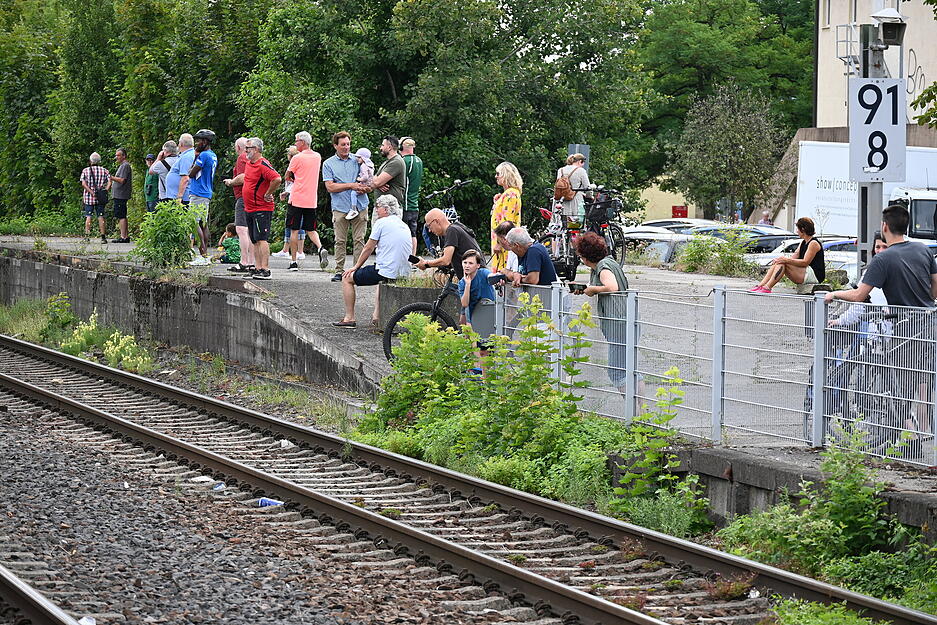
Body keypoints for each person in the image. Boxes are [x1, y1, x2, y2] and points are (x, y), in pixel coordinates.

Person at [826, 204, 937, 450]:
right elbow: (934, 288)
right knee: (920, 383)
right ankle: (910, 442)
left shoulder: (883, 259)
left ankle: (898, 441)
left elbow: (859, 295)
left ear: (884, 227)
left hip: (904, 328)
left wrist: (833, 294)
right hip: (928, 325)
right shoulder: (923, 250)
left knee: (899, 386)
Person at [332, 195, 412, 328]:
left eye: (378, 207)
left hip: (387, 270)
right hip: (403, 271)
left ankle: (349, 318)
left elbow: (368, 247)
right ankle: (377, 316)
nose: (376, 210)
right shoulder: (403, 225)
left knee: (346, 278)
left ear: (386, 209)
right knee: (381, 279)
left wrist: (355, 267)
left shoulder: (381, 222)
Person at [576, 231, 630, 393]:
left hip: (618, 322)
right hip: (624, 319)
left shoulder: (603, 267)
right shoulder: (609, 262)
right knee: (629, 370)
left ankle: (635, 413)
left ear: (585, 257)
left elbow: (612, 287)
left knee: (617, 372)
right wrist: (586, 289)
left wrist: (593, 289)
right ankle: (640, 411)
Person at [230, 137, 281, 280]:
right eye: (245, 148)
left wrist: (268, 193)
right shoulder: (249, 164)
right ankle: (257, 268)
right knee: (254, 239)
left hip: (261, 208)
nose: (246, 151)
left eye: (249, 148)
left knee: (262, 238)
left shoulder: (263, 164)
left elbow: (277, 178)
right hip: (250, 208)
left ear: (257, 149)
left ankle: (265, 269)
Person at [322, 131, 369, 281]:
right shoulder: (328, 163)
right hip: (340, 206)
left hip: (360, 205)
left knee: (359, 239)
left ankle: (357, 270)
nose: (346, 147)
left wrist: (366, 187)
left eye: (348, 144)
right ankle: (339, 270)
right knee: (340, 240)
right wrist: (351, 185)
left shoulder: (358, 159)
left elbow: (369, 177)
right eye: (343, 145)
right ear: (335, 145)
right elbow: (330, 187)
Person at [284, 130, 328, 271]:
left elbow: (287, 175)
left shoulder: (297, 158)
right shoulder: (317, 156)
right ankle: (321, 248)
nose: (295, 143)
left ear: (302, 142)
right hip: (311, 199)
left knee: (294, 230)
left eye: (296, 141)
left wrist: (293, 178)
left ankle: (294, 261)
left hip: (297, 198)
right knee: (310, 228)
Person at [750, 217, 824, 293]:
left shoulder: (813, 243)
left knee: (783, 262)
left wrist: (785, 260)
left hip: (814, 275)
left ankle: (767, 287)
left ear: (803, 230)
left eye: (797, 229)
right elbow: (793, 258)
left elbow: (805, 262)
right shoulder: (803, 243)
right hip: (804, 271)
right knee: (779, 262)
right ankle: (761, 285)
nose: (797, 231)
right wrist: (780, 260)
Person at [416, 208, 483, 278]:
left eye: (429, 225)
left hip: (477, 280)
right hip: (474, 277)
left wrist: (426, 264)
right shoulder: (455, 228)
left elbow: (446, 260)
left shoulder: (452, 230)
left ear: (437, 221)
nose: (429, 230)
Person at [222, 137, 255, 273]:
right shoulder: (252, 159)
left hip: (243, 196)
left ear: (238, 147)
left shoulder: (242, 157)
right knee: (250, 231)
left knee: (241, 230)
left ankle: (244, 262)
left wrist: (230, 182)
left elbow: (242, 177)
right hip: (252, 197)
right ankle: (252, 262)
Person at [186, 129, 218, 265]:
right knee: (203, 223)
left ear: (205, 142)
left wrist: (194, 159)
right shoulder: (213, 155)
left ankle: (203, 255)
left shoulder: (203, 155)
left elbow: (192, 173)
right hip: (206, 192)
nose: (197, 143)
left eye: (199, 141)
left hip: (198, 192)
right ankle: (205, 255)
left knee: (194, 222)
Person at [491, 162, 522, 271]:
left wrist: (500, 243)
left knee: (503, 273)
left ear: (506, 174)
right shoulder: (509, 194)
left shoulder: (511, 194)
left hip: (505, 242)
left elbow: (506, 223)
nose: (496, 176)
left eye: (498, 173)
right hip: (503, 240)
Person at [367, 136, 406, 211]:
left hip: (390, 209)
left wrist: (377, 183)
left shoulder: (396, 162)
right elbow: (373, 180)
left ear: (389, 147)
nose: (380, 148)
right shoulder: (387, 162)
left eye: (382, 145)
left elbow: (376, 182)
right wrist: (378, 184)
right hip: (382, 208)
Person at [459, 249, 496, 328]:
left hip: (489, 309)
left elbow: (491, 276)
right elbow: (465, 304)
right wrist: (467, 284)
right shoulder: (462, 282)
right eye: (465, 262)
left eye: (471, 263)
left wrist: (497, 277)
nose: (467, 266)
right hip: (474, 313)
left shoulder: (483, 273)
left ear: (478, 265)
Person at [80, 152, 111, 244]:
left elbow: (83, 184)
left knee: (88, 216)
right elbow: (110, 181)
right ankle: (103, 237)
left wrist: (91, 192)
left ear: (90, 161)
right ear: (99, 161)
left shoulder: (85, 170)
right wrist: (105, 190)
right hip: (100, 197)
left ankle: (87, 236)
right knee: (100, 216)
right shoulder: (104, 170)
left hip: (88, 197)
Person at [400, 137, 423, 254]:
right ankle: (413, 258)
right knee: (412, 232)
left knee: (404, 232)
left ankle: (406, 258)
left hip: (406, 203)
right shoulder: (419, 160)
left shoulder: (405, 161)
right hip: (414, 202)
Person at [557, 153, 590, 223]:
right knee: (577, 224)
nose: (582, 165)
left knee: (563, 223)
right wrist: (589, 196)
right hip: (576, 201)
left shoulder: (561, 170)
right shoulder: (581, 171)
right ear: (579, 161)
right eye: (582, 163)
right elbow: (587, 187)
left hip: (562, 201)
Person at [344, 147, 374, 221]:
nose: (357, 159)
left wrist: (359, 179)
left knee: (353, 194)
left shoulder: (363, 166)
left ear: (363, 158)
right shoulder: (370, 165)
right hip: (368, 185)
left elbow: (365, 177)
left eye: (359, 157)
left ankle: (353, 209)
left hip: (363, 184)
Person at [110, 147, 131, 242]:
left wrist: (110, 177)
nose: (116, 157)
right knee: (122, 214)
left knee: (121, 215)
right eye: (116, 155)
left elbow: (122, 180)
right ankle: (125, 236)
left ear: (124, 156)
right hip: (119, 194)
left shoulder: (125, 166)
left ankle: (123, 237)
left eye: (118, 155)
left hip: (121, 195)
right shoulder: (122, 165)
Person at [170, 132, 196, 204]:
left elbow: (185, 178)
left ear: (181, 144)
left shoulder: (187, 157)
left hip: (183, 198)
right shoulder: (187, 155)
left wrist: (179, 196)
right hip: (182, 196)